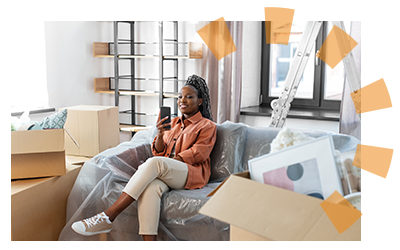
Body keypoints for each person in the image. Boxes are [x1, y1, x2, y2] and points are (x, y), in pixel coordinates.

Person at [71, 75, 217, 241]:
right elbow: (158, 153)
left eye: (189, 97)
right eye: (180, 97)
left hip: (191, 173)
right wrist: (161, 134)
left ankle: (108, 216)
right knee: (150, 188)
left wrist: (167, 163)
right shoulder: (173, 123)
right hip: (169, 172)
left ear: (200, 101)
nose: (183, 100)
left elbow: (199, 154)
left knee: (155, 164)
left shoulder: (207, 125)